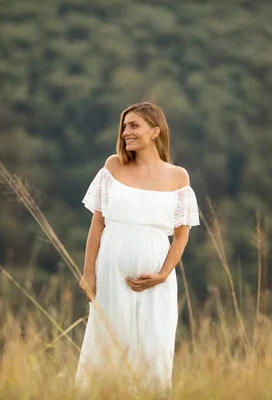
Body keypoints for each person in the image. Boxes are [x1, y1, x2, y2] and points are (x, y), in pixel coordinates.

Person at [75, 102, 200, 395]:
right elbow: (97, 224)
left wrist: (163, 274)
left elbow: (181, 237)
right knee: (107, 348)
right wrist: (88, 273)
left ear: (155, 131)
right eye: (124, 126)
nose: (125, 132)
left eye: (134, 125)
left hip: (156, 282)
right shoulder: (113, 166)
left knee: (153, 351)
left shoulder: (178, 177)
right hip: (110, 277)